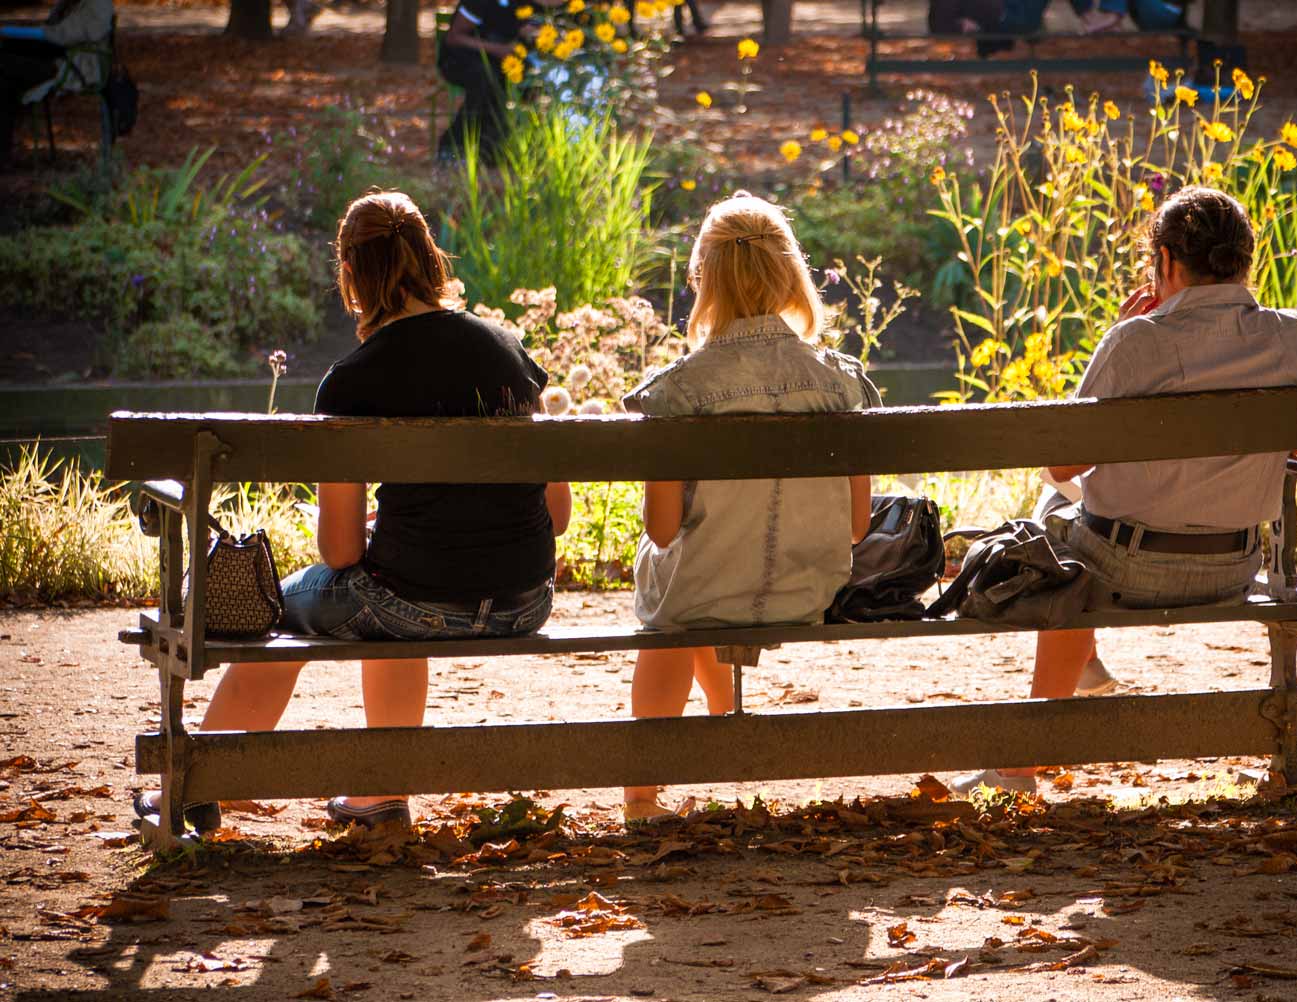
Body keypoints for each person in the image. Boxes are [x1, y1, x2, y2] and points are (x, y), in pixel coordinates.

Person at [133, 191, 572, 833]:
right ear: (430, 258)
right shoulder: (507, 349)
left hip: (411, 600)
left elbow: (340, 554)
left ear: (352, 276)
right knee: (392, 583)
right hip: (525, 599)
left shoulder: (352, 380)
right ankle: (377, 793)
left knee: (285, 606)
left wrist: (388, 536)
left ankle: (196, 787)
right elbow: (555, 516)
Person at [953, 186, 1297, 796]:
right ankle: (1089, 664)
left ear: (1168, 263)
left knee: (1054, 527)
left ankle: (1025, 760)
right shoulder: (1294, 338)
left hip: (1126, 568)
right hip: (1235, 564)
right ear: (1243, 262)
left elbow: (1062, 463)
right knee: (1063, 521)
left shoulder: (1137, 342)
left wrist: (1123, 335)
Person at [621, 191, 881, 823]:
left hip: (704, 594)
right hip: (804, 591)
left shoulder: (679, 389)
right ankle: (719, 713)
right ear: (791, 274)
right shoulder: (842, 382)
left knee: (672, 602)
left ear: (702, 283)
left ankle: (640, 796)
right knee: (704, 573)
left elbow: (661, 530)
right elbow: (856, 525)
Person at [0, 0, 112, 168]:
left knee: (5, 69)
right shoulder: (69, 4)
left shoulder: (98, 4)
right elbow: (53, 30)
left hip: (71, 68)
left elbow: (63, 35)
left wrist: (14, 31)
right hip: (57, 59)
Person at [437, 0, 532, 163]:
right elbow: (453, 38)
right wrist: (496, 49)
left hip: (502, 64)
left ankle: (492, 150)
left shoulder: (524, 4)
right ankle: (452, 146)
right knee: (485, 81)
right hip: (460, 60)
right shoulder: (479, 3)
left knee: (529, 82)